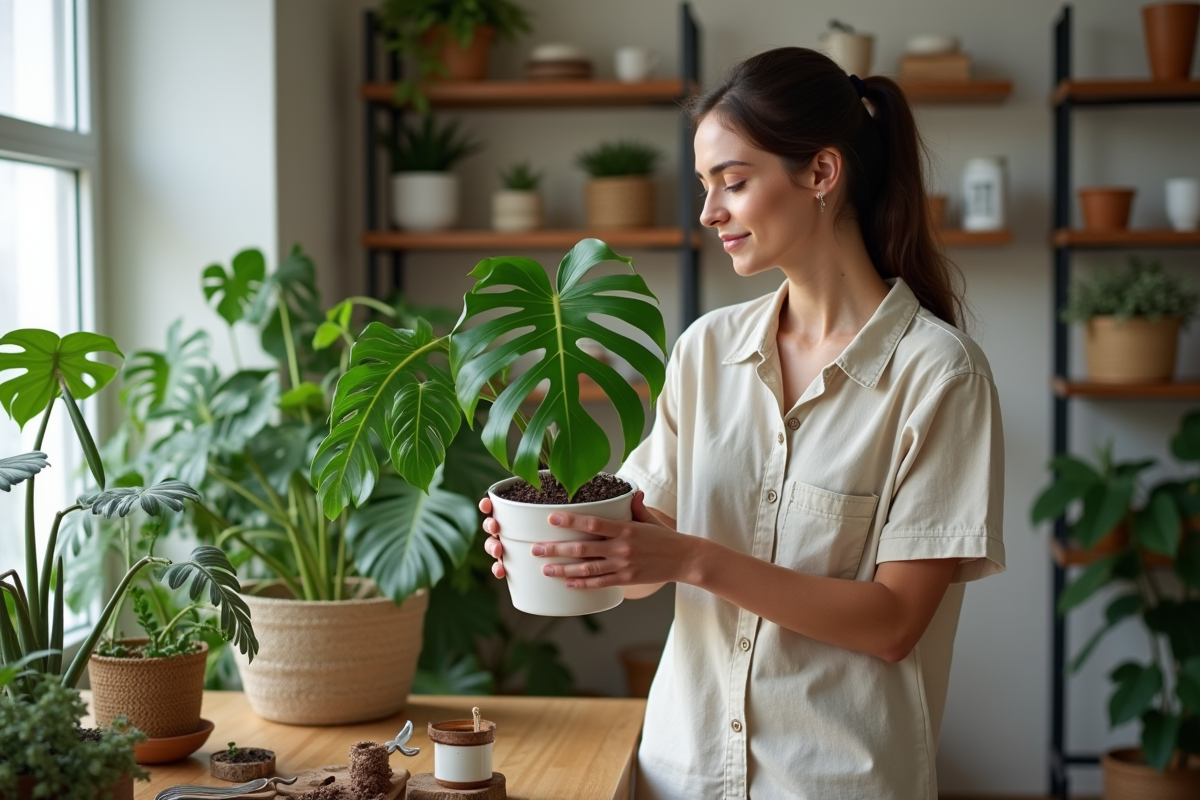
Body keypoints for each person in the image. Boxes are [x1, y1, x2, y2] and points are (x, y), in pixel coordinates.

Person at [480, 47, 1005, 800]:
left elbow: (894, 624)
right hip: (680, 771)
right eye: (705, 185)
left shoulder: (940, 376)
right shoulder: (706, 351)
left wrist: (692, 559)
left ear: (822, 174)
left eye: (732, 181)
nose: (708, 212)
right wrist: (578, 545)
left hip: (833, 783)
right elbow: (645, 553)